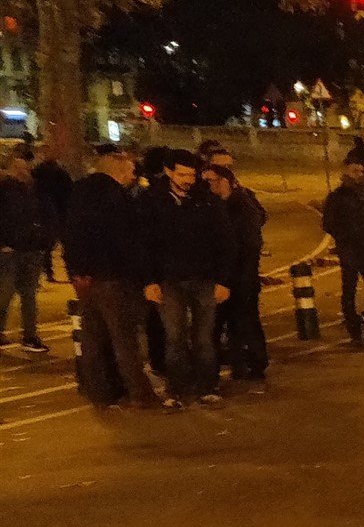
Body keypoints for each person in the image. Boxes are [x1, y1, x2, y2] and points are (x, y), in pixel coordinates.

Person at [64, 143, 159, 407]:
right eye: (130, 170)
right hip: (114, 278)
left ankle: (99, 392)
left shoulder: (80, 192)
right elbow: (128, 241)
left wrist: (76, 270)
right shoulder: (118, 198)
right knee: (124, 339)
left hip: (86, 278)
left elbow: (71, 235)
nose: (134, 176)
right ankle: (141, 394)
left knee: (93, 337)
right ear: (117, 170)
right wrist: (141, 276)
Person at [142, 150, 235, 408]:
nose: (188, 180)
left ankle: (207, 385)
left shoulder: (207, 201)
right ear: (169, 172)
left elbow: (225, 243)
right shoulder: (152, 202)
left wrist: (223, 280)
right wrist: (150, 280)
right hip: (168, 281)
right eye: (182, 174)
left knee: (205, 337)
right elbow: (145, 244)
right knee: (175, 337)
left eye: (191, 174)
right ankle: (177, 389)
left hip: (204, 279)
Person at [204, 162, 268, 385]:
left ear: (223, 182)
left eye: (209, 181)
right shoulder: (214, 206)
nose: (205, 186)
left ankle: (256, 364)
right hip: (225, 276)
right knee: (228, 324)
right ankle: (239, 364)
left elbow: (248, 246)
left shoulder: (242, 207)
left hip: (241, 277)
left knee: (245, 321)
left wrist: (240, 276)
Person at [322, 159, 364, 346]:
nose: (359, 174)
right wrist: (346, 237)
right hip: (349, 248)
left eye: (361, 171)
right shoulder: (337, 196)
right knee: (349, 289)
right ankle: (354, 329)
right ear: (346, 172)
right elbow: (328, 223)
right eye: (355, 170)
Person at [0, 148, 51, 353]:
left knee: (28, 294)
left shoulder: (32, 188)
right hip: (10, 249)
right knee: (6, 292)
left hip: (30, 247)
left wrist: (43, 240)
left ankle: (30, 335)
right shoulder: (6, 188)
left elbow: (43, 214)